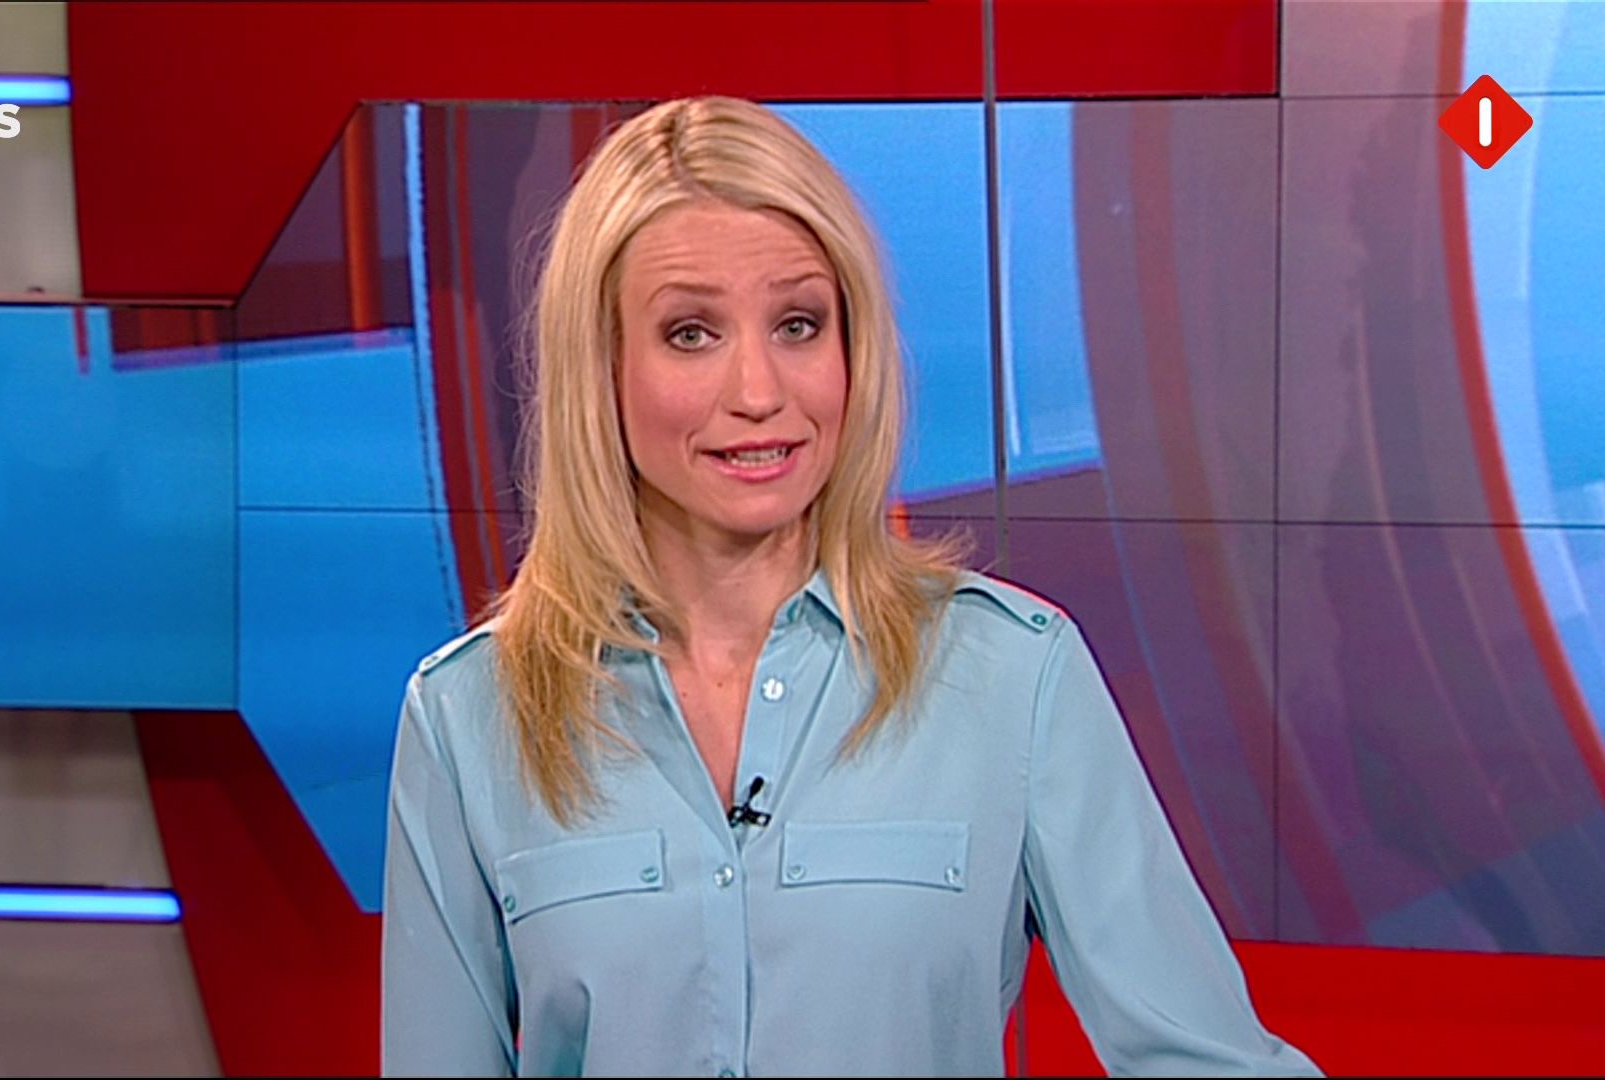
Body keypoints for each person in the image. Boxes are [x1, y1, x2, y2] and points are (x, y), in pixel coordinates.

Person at [382, 95, 1321, 1078]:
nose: (759, 392)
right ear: (600, 367)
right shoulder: (469, 717)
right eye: (692, 333)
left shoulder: (1009, 676)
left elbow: (1207, 1060)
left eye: (798, 324)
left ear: (852, 350)